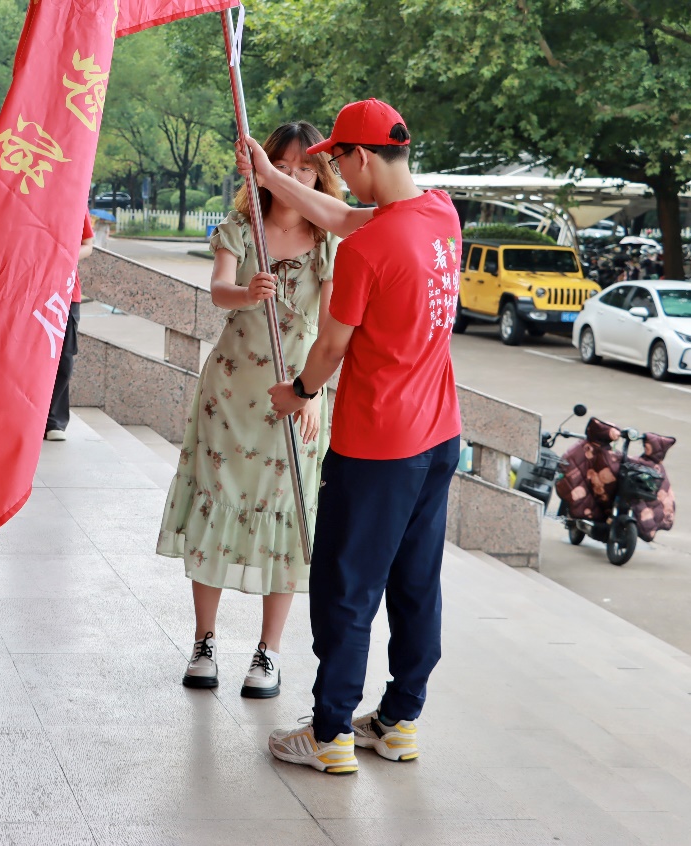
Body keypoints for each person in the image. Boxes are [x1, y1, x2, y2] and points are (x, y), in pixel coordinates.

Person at [237, 99, 462, 774]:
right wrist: (270, 177)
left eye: (337, 158)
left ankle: (330, 731)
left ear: (360, 157)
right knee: (415, 585)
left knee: (346, 590)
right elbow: (344, 215)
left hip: (375, 448)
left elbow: (331, 345)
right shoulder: (439, 214)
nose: (335, 170)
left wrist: (296, 393)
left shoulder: (365, 252)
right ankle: (398, 721)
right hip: (437, 438)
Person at [157, 122, 339, 699]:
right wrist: (247, 292)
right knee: (218, 503)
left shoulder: (330, 241)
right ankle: (204, 642)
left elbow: (334, 327)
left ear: (319, 173)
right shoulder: (241, 226)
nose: (294, 176)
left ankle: (269, 652)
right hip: (231, 393)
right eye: (283, 165)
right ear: (265, 168)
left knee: (285, 514)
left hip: (296, 396)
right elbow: (217, 291)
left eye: (305, 167)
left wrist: (314, 394)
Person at [44, 213, 96, 441]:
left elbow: (88, 244)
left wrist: (66, 257)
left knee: (64, 357)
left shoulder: (74, 197)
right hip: (32, 289)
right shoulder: (32, 191)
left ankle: (54, 420)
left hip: (66, 292)